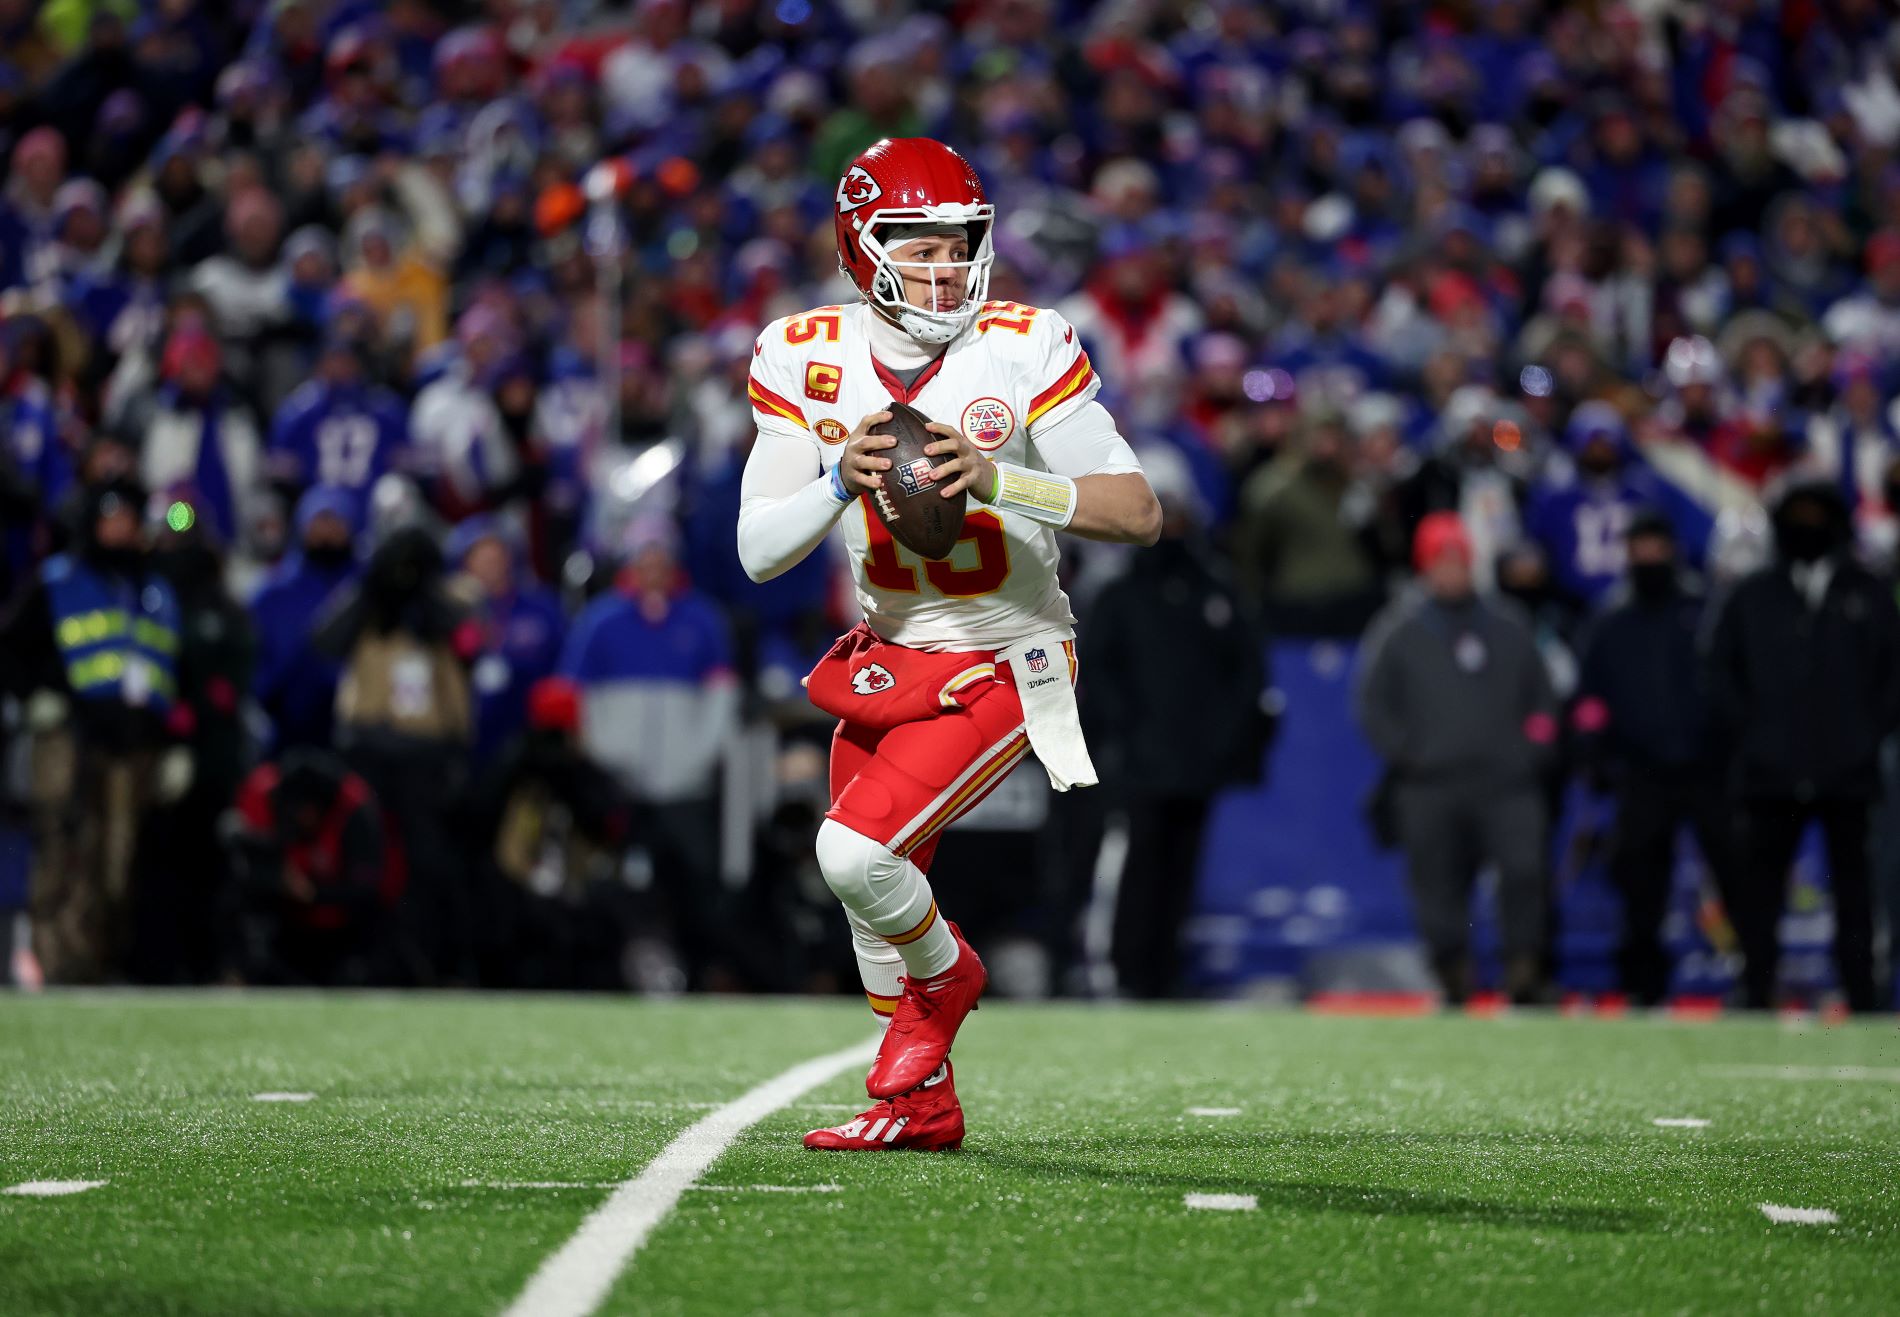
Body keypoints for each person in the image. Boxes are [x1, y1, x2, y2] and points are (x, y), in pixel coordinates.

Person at [736, 138, 1159, 1151]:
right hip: (889, 649)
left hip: (1006, 654)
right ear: (858, 247)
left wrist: (1001, 478)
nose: (942, 268)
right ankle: (917, 1108)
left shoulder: (1025, 342)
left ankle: (949, 973)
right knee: (870, 893)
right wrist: (838, 478)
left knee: (850, 851)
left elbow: (1137, 510)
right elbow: (758, 549)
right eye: (914, 247)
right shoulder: (802, 353)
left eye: (959, 245)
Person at [1703, 480, 1900, 1012]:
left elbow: (1892, 677)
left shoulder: (1868, 591)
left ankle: (1863, 994)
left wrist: (1863, 737)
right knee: (1758, 892)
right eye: (1798, 513)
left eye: (1819, 513)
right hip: (1769, 772)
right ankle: (1756, 988)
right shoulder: (1752, 594)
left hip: (1848, 772)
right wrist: (1755, 736)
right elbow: (1720, 674)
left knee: (1857, 895)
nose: (1808, 524)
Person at [1081, 457, 1274, 998]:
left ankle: (1164, 970)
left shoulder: (1216, 589)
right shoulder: (1121, 593)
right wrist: (1121, 739)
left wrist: (1223, 743)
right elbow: (1101, 675)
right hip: (1141, 764)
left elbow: (1245, 673)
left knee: (1181, 870)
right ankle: (1125, 970)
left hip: (1194, 763)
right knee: (1137, 868)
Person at [1353, 512, 1558, 1005]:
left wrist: (1532, 749)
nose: (1451, 571)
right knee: (1437, 884)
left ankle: (1523, 973)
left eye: (1458, 560)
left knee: (1525, 871)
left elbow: (1544, 700)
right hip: (1430, 783)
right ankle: (1453, 975)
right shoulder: (1398, 632)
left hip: (1506, 782)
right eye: (1440, 561)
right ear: (1424, 567)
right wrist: (1410, 754)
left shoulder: (1509, 626)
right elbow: (1371, 705)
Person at [0, 478, 181, 982]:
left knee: (117, 858)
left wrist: (170, 740)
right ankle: (50, 958)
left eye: (128, 517)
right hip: (65, 732)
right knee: (60, 842)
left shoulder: (153, 587)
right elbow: (11, 647)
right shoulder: (58, 579)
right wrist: (36, 695)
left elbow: (166, 669)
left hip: (130, 743)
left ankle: (98, 962)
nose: (119, 528)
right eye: (110, 516)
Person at [559, 518, 737, 989]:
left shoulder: (703, 619)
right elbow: (574, 701)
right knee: (622, 887)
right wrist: (600, 763)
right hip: (619, 788)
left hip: (686, 786)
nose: (652, 566)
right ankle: (616, 976)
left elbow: (721, 702)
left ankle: (699, 974)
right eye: (644, 557)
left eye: (660, 557)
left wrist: (698, 759)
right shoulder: (600, 621)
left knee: (695, 884)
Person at [1571, 512, 1734, 1006]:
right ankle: (1643, 989)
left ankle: (1758, 981)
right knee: (1641, 886)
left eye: (1654, 546)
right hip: (1641, 771)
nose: (1647, 556)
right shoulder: (1611, 618)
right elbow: (1589, 697)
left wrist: (1729, 744)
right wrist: (1597, 753)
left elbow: (1732, 682)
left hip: (1708, 768)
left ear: (1671, 548)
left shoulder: (1704, 607)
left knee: (1739, 875)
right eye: (1638, 547)